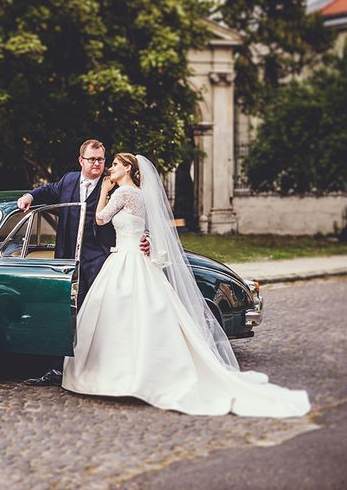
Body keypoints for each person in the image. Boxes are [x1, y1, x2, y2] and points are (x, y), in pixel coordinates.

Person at [62, 153, 310, 417]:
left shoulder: (122, 193)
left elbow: (100, 219)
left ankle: (123, 376)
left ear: (127, 168)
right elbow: (141, 229)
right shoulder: (141, 195)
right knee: (145, 318)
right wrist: (144, 239)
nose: (109, 168)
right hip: (136, 261)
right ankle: (147, 371)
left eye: (114, 164)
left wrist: (103, 191)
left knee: (120, 318)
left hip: (125, 261)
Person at [18, 140, 149, 386]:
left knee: (98, 315)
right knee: (63, 314)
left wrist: (146, 238)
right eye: (93, 159)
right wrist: (29, 195)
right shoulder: (68, 180)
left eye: (101, 159)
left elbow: (137, 214)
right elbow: (48, 190)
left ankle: (97, 368)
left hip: (100, 258)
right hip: (67, 258)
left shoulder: (113, 184)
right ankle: (58, 369)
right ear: (82, 161)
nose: (98, 164)